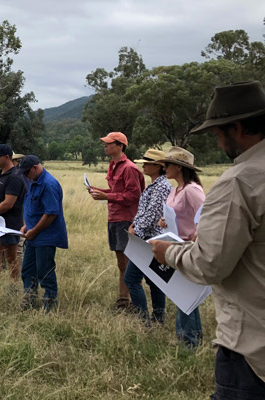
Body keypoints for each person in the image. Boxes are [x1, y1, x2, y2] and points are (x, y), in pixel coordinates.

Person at [151, 81, 265, 399]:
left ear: (237, 128)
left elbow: (209, 265)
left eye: (217, 134)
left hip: (251, 348)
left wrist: (167, 253)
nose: (217, 143)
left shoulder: (239, 181)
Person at [88, 131, 144, 310]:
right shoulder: (113, 165)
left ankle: (131, 301)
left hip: (125, 219)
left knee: (127, 262)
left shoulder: (129, 168)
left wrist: (106, 196)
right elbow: (116, 190)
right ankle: (124, 299)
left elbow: (133, 195)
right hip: (114, 217)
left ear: (120, 146)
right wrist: (99, 190)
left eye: (109, 143)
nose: (105, 146)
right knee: (121, 261)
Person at [158, 146, 205, 348]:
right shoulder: (176, 189)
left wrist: (198, 234)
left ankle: (188, 340)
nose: (164, 168)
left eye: (167, 164)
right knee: (183, 294)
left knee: (182, 294)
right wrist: (163, 221)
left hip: (187, 247)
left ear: (179, 167)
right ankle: (193, 337)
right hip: (175, 244)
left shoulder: (192, 190)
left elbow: (205, 215)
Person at [123, 149, 169, 325]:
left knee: (131, 279)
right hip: (147, 239)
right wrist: (134, 224)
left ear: (158, 166)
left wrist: (136, 231)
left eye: (148, 163)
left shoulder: (162, 186)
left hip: (149, 241)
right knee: (154, 280)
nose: (144, 165)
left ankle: (145, 321)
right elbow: (144, 212)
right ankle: (158, 318)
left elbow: (152, 214)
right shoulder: (156, 184)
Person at [17, 156, 68, 311]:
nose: (25, 176)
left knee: (45, 271)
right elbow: (35, 209)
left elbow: (51, 213)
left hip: (45, 237)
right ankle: (30, 299)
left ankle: (49, 305)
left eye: (27, 172)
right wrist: (27, 226)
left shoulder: (48, 184)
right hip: (33, 236)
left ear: (35, 167)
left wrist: (35, 230)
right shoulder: (35, 182)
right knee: (27, 270)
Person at [0, 144, 25, 284]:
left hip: (10, 223)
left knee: (11, 257)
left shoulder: (15, 177)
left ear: (7, 157)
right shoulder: (0, 173)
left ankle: (14, 284)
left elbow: (9, 203)